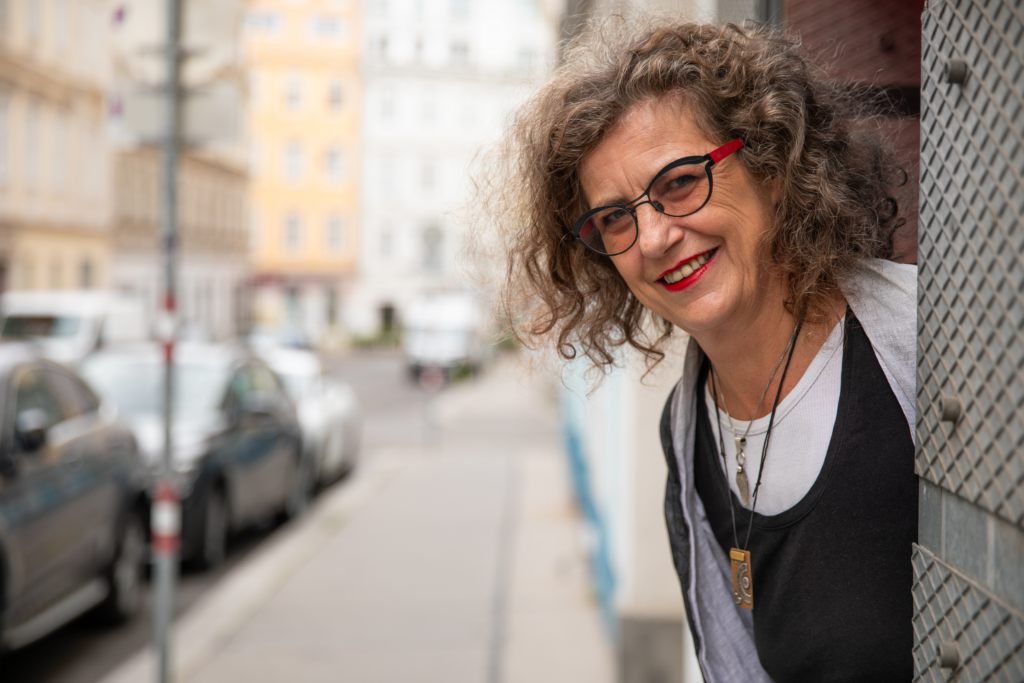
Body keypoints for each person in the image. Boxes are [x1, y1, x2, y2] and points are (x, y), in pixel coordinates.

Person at [483, 18, 918, 683]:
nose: (653, 238)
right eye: (616, 218)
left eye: (681, 182)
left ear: (772, 168)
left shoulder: (923, 343)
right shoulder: (689, 431)